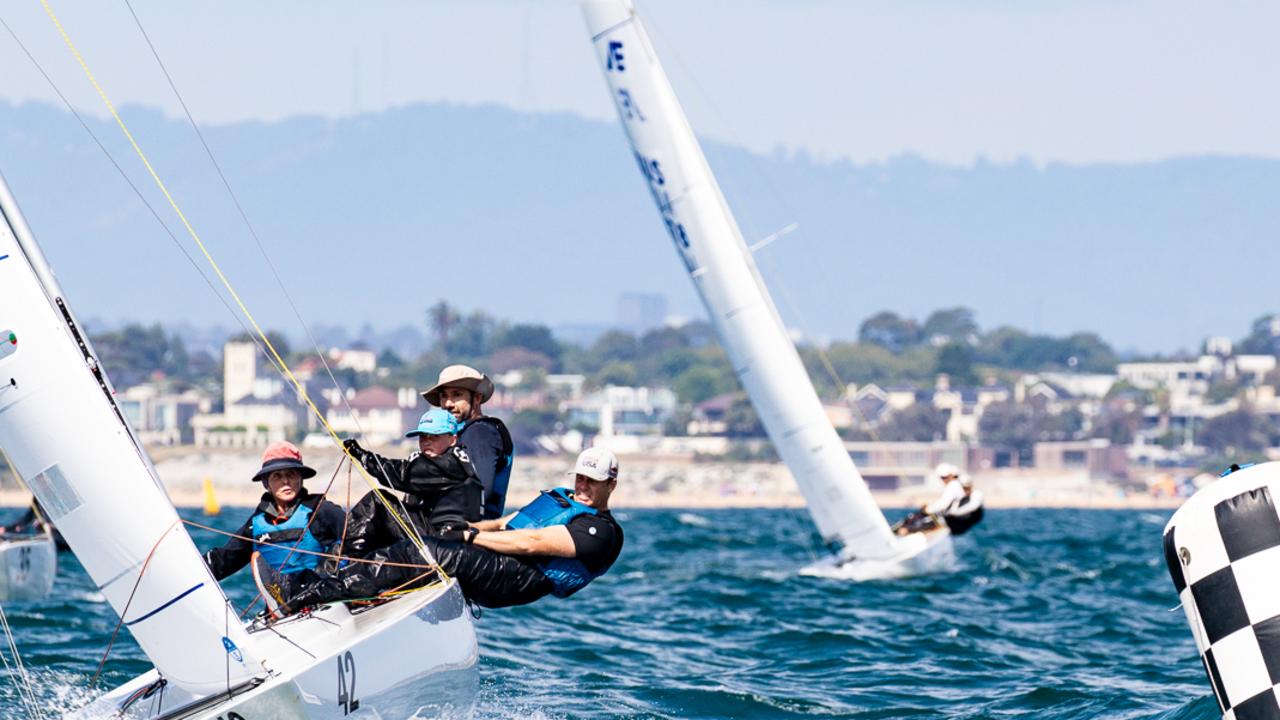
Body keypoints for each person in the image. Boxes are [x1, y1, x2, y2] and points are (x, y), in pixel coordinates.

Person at [266, 447, 625, 614]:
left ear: (610, 483)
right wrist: (466, 528)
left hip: (519, 579)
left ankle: (308, 594)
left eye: (592, 481)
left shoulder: (601, 531)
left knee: (427, 552)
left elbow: (532, 542)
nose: (583, 486)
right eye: (580, 477)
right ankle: (330, 579)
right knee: (388, 510)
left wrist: (468, 538)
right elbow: (507, 523)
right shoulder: (564, 500)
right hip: (495, 555)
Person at [340, 408, 483, 554]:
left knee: (377, 501)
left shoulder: (450, 464)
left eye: (433, 436)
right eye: (423, 437)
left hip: (445, 543)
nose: (426, 442)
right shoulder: (450, 462)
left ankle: (343, 562)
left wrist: (362, 456)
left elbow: (401, 474)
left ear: (453, 439)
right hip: (440, 537)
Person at [204, 441, 346, 581]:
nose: (285, 481)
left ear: (300, 479)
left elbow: (356, 539)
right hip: (279, 603)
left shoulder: (321, 511)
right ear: (266, 483)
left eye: (291, 474)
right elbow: (226, 559)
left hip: (322, 597)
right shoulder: (256, 523)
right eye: (277, 476)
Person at [422, 365, 514, 520]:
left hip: (471, 531)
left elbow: (480, 491)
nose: (448, 404)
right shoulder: (464, 432)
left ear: (477, 398)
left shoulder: (479, 432)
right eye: (444, 396)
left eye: (457, 395)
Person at [895, 463, 966, 536]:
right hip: (946, 518)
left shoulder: (953, 486)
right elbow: (945, 503)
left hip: (946, 520)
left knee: (914, 520)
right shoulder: (956, 485)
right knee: (916, 517)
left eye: (944, 477)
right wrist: (929, 507)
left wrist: (927, 509)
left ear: (950, 475)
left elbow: (944, 504)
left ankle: (901, 531)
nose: (943, 480)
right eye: (942, 477)